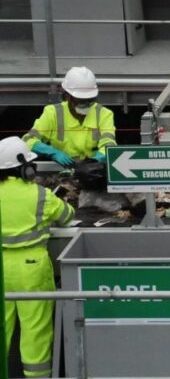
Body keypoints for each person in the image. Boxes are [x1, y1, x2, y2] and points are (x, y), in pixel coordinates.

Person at [0, 136, 75, 378]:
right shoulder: (40, 195)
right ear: (26, 169)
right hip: (32, 266)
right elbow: (66, 216)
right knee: (36, 329)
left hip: (2, 266)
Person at [23, 66, 116, 168]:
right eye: (80, 100)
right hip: (61, 169)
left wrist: (95, 160)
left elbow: (109, 145)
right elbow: (28, 140)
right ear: (67, 96)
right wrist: (52, 152)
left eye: (89, 100)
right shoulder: (52, 113)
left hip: (93, 170)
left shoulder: (104, 114)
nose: (85, 104)